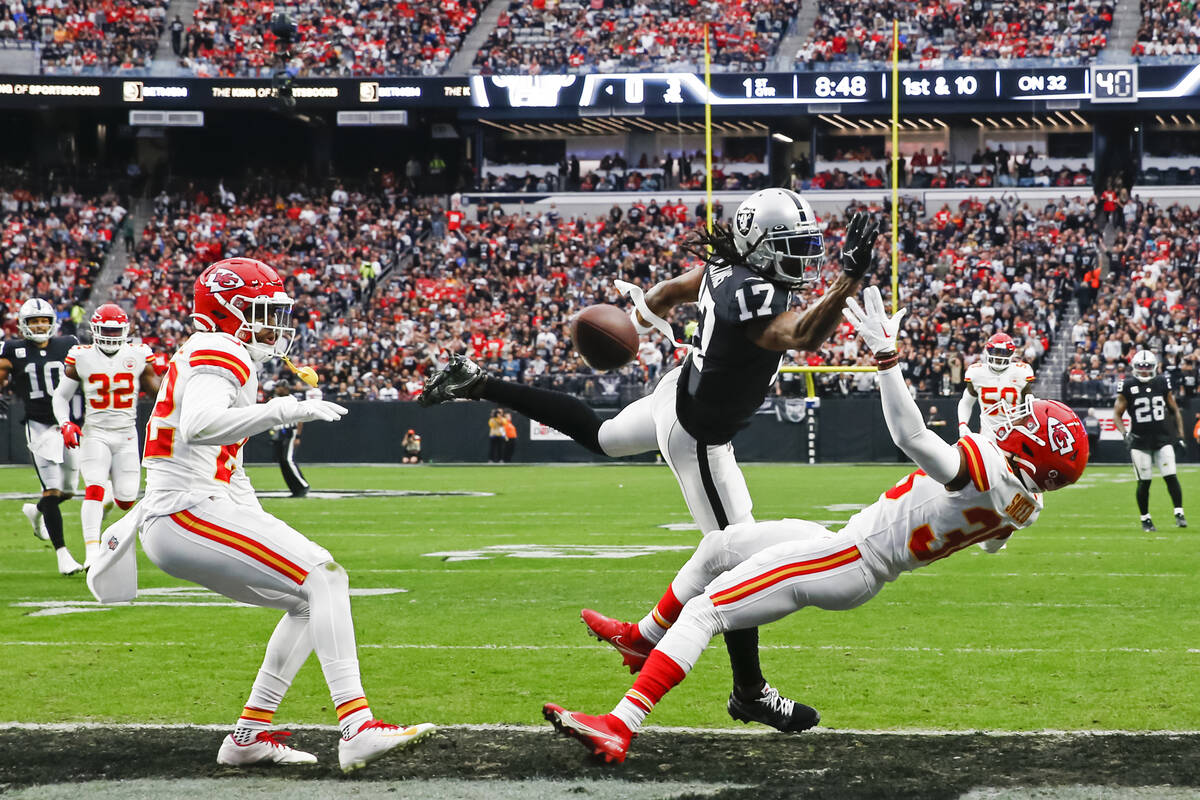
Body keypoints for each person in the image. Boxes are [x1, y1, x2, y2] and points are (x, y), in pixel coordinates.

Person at [542, 287, 1090, 763]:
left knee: (710, 608)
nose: (1019, 417)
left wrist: (887, 357)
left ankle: (620, 725)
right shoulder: (1023, 502)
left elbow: (912, 437)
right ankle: (642, 638)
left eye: (1028, 422)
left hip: (852, 560)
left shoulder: (985, 471)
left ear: (1031, 447)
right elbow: (994, 540)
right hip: (849, 545)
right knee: (720, 546)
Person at [421, 189, 880, 732]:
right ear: (759, 247)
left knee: (602, 434)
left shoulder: (725, 268)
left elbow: (672, 290)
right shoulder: (753, 292)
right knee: (737, 563)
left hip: (675, 395)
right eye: (791, 246)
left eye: (807, 246)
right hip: (699, 438)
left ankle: (479, 381)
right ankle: (748, 691)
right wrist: (848, 278)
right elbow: (801, 335)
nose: (803, 258)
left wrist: (641, 317)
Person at [118, 258, 436, 770]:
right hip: (185, 511)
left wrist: (256, 519)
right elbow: (201, 426)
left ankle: (247, 737)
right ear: (229, 311)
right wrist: (284, 409)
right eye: (263, 310)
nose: (274, 324)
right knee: (326, 577)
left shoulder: (217, 351)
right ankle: (357, 727)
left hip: (193, 509)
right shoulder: (220, 349)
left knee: (309, 599)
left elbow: (229, 471)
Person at [51, 303, 160, 569]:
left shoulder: (138, 354)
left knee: (126, 499)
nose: (110, 336)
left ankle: (110, 496)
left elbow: (158, 391)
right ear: (95, 330)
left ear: (124, 330)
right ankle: (93, 553)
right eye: (106, 330)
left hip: (126, 435)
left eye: (115, 330)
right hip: (95, 433)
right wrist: (65, 423)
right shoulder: (81, 355)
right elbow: (61, 396)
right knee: (94, 488)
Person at [0, 298, 85, 575]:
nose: (39, 325)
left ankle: (37, 512)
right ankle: (63, 556)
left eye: (44, 320)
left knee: (69, 490)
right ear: (24, 324)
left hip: (67, 424)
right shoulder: (13, 349)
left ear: (52, 323)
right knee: (52, 489)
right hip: (38, 425)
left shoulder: (68, 343)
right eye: (34, 321)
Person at [1113, 350, 1187, 531]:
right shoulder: (1128, 385)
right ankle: (1145, 518)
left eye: (1147, 367)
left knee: (1171, 476)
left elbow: (1175, 410)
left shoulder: (1162, 382)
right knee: (1144, 481)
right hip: (1139, 441)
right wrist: (1124, 434)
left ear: (1154, 367)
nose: (1144, 371)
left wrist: (1181, 436)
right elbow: (1117, 414)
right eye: (1141, 367)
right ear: (1134, 367)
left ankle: (1179, 512)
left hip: (1163, 439)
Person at [957, 333, 1035, 439]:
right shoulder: (977, 373)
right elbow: (966, 403)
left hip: (1015, 433)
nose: (998, 356)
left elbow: (1031, 405)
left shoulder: (1021, 372)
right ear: (988, 351)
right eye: (995, 352)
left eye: (1003, 352)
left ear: (1011, 353)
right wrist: (962, 425)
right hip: (987, 435)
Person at [267, 381, 309, 498]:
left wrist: (298, 436)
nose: (277, 389)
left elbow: (301, 418)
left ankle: (303, 485)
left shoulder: (292, 400)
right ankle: (295, 488)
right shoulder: (276, 400)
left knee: (288, 459)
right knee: (282, 461)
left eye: (279, 387)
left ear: (285, 388)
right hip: (279, 432)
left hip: (290, 431)